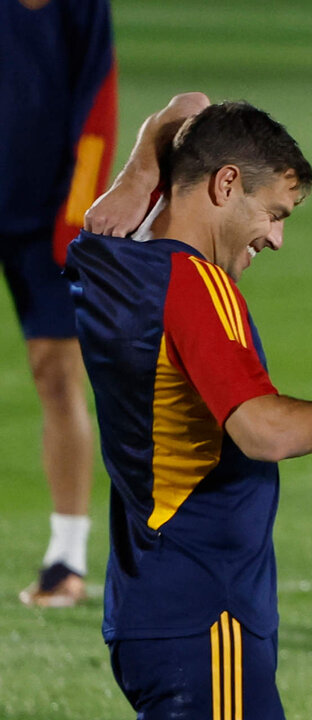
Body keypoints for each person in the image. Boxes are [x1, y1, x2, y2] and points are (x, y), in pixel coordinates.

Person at [67, 96, 312, 720]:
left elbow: (189, 106)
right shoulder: (196, 286)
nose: (278, 237)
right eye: (273, 213)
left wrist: (137, 175)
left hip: (147, 612)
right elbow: (262, 431)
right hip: (208, 615)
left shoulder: (105, 254)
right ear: (226, 183)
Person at [2, 0, 116, 607]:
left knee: (56, 374)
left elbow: (97, 102)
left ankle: (65, 557)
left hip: (45, 216)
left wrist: (77, 215)